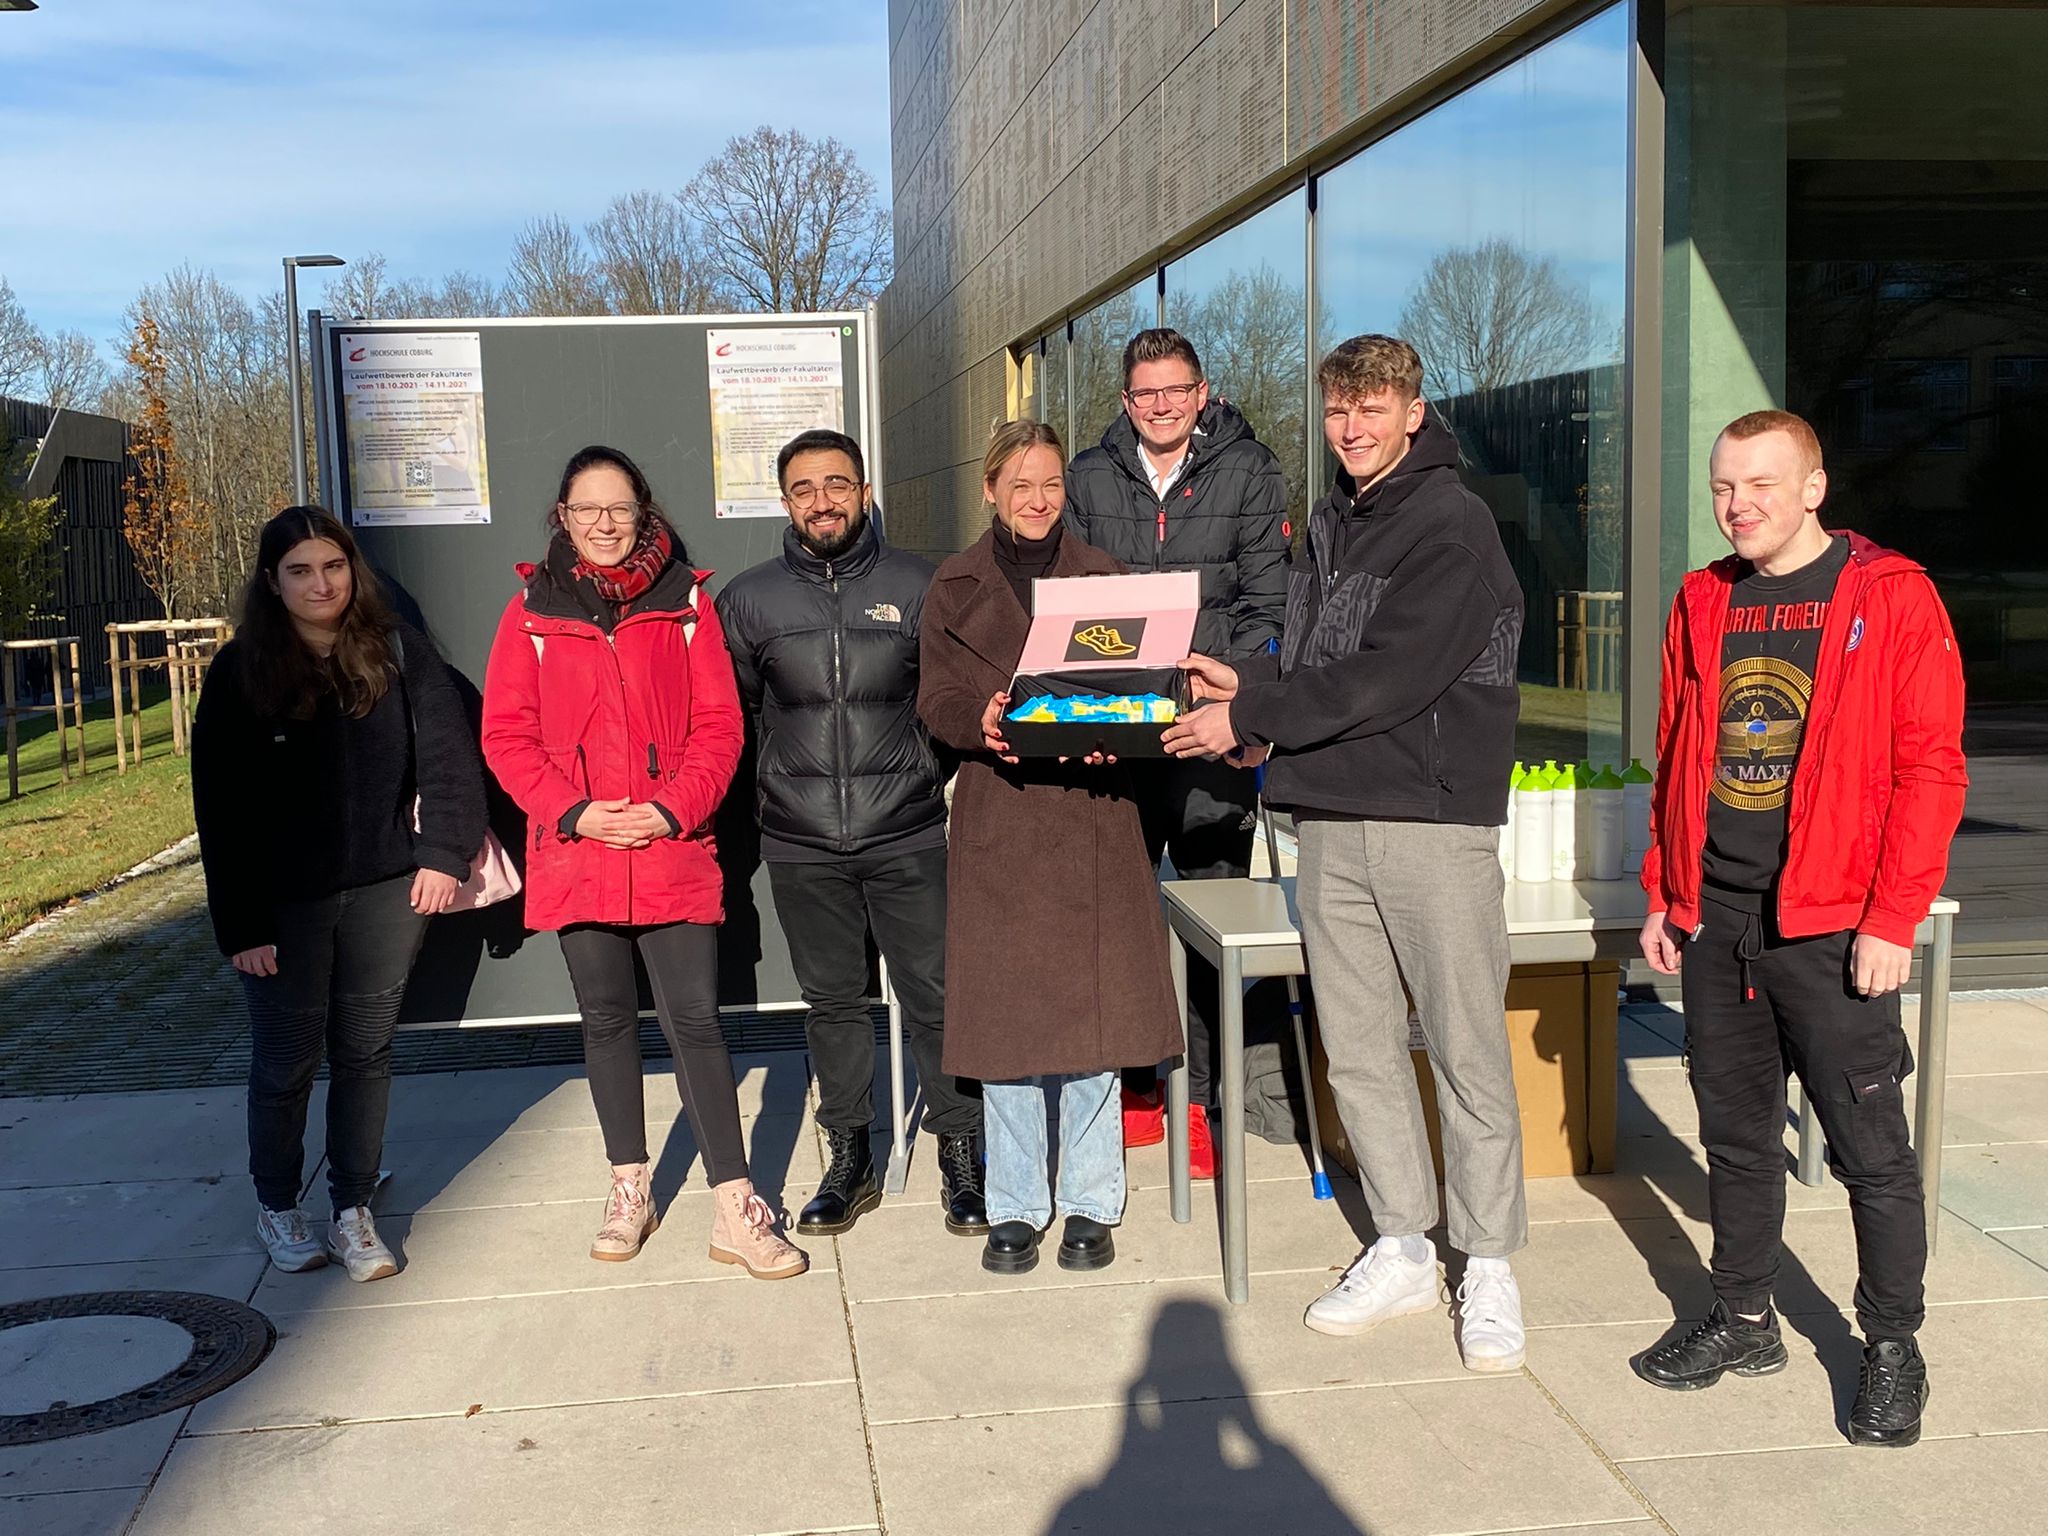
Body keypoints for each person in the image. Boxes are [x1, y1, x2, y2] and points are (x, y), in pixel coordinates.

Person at [1164, 334, 1530, 1373]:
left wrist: (1254, 707)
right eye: (1336, 411)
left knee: (1462, 1049)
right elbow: (1314, 661)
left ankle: (1488, 1258)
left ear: (1413, 411)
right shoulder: (1331, 520)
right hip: (1326, 818)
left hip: (1428, 822)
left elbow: (1386, 680)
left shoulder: (1451, 527)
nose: (1352, 428)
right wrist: (1245, 692)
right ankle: (1406, 1245)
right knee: (1360, 1049)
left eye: (1371, 408)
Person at [1632, 410, 1965, 1448]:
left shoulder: (1888, 595)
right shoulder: (1702, 599)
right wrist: (1664, 890)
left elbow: (1929, 770)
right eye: (1723, 487)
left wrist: (1890, 918)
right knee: (1734, 1141)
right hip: (1717, 918)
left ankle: (1891, 1347)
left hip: (1832, 925)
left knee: (1870, 1148)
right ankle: (1742, 1319)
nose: (1737, 506)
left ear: (1813, 488)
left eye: (1760, 486)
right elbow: (1678, 753)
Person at [480, 445, 805, 1279]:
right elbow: (506, 737)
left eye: (617, 508)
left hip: (671, 846)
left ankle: (736, 1204)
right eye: (585, 509)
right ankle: (631, 1187)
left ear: (643, 512)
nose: (602, 524)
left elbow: (720, 728)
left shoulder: (689, 605)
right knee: (606, 1021)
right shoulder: (529, 613)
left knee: (696, 1022)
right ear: (562, 516)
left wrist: (669, 810)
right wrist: (577, 810)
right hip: (578, 850)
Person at [193, 507, 487, 1282]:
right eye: (299, 570)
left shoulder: (394, 652)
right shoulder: (240, 673)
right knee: (286, 1062)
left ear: (352, 570)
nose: (320, 583)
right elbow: (220, 811)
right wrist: (241, 926)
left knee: (364, 1054)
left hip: (388, 897)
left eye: (332, 566)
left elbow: (453, 758)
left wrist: (443, 854)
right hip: (283, 912)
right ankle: (278, 1203)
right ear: (271, 582)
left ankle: (353, 1207)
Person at [918, 420, 1184, 1275]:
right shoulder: (952, 586)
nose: (1037, 500)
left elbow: (1138, 685)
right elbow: (935, 699)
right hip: (1001, 814)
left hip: (1091, 817)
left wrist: (1123, 728)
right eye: (1020, 484)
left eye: (1051, 485)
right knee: (1007, 1028)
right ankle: (1016, 1206)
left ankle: (1092, 1203)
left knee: (1092, 1021)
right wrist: (979, 719)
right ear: (991, 488)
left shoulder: (1104, 577)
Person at [719, 428, 985, 1239]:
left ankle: (961, 1160)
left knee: (938, 1001)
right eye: (804, 488)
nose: (822, 501)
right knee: (834, 1005)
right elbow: (732, 725)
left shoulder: (922, 584)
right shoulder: (750, 599)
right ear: (786, 501)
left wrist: (914, 776)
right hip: (801, 845)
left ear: (866, 492)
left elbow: (947, 701)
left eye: (838, 484)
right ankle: (850, 1159)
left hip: (904, 833)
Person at [1064, 327, 1288, 1177]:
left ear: (1202, 393)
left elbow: (1271, 603)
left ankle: (1197, 1096)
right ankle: (1137, 1085)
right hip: (1119, 736)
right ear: (1126, 401)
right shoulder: (1089, 477)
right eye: (1143, 393)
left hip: (1207, 732)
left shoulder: (1250, 470)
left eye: (1174, 390)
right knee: (1117, 921)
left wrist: (1238, 696)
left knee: (1209, 920)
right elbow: (1068, 602)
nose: (1159, 406)